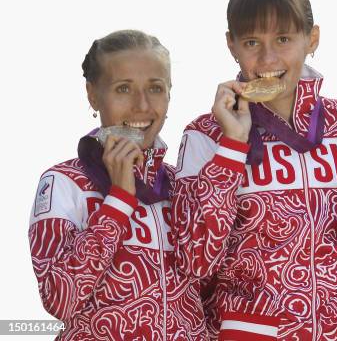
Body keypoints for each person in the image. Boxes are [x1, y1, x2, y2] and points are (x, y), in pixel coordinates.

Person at [171, 0, 337, 340]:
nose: (267, 59)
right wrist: (232, 144)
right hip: (249, 332)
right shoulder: (204, 136)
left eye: (283, 39)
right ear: (231, 45)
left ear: (312, 39)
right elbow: (194, 260)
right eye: (251, 42)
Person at [28, 30, 206, 340]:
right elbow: (60, 299)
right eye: (123, 88)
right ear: (93, 94)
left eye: (155, 88)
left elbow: (214, 290)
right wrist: (120, 200)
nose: (141, 105)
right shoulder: (63, 182)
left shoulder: (183, 185)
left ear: (169, 94)